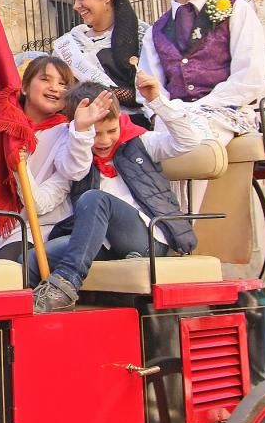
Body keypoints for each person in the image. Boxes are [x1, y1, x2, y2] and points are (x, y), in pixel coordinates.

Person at [31, 79, 202, 312]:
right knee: (35, 257)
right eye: (95, 134)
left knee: (94, 199)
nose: (104, 141)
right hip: (100, 243)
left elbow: (188, 141)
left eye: (111, 131)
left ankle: (65, 285)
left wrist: (156, 101)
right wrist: (81, 133)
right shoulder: (76, 155)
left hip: (147, 239)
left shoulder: (140, 143)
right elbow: (71, 170)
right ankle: (36, 316)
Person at [0, 57, 111, 261]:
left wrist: (81, 129)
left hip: (34, 229)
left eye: (63, 83)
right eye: (46, 79)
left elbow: (74, 171)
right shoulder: (6, 121)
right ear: (24, 87)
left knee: (4, 271)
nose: (55, 88)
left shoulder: (67, 132)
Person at [138, 0, 265, 147]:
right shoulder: (156, 32)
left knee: (197, 139)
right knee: (154, 143)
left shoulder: (236, 10)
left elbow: (249, 77)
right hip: (175, 117)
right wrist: (168, 112)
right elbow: (152, 87)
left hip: (227, 114)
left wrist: (199, 108)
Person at [52, 0, 152, 128]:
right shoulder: (71, 43)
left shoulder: (141, 36)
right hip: (82, 132)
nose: (76, 6)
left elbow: (151, 90)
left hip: (129, 129)